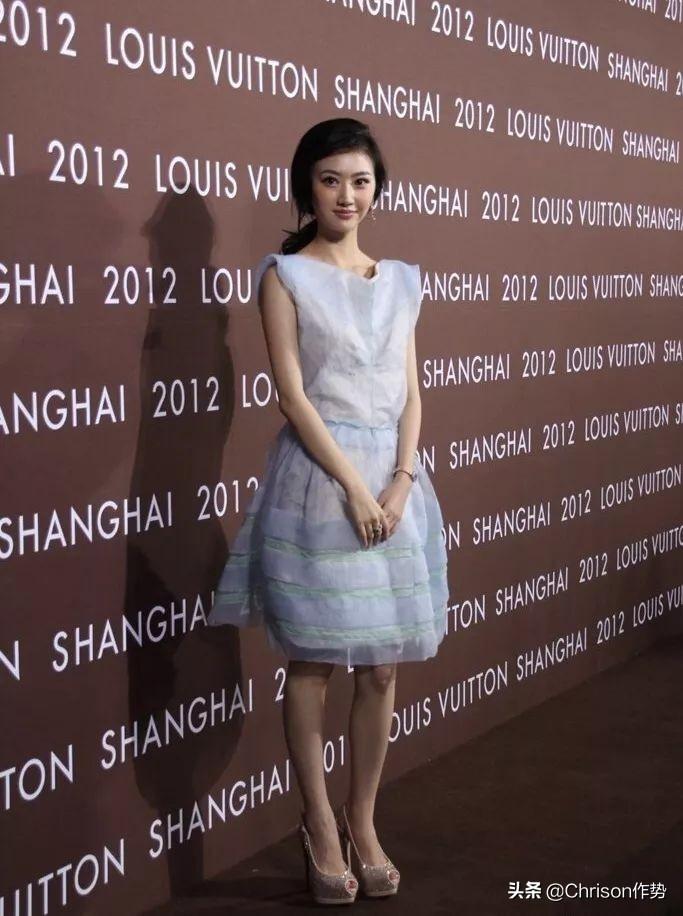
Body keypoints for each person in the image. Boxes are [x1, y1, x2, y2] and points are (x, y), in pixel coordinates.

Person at [208, 118, 449, 904]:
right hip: (320, 481)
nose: (347, 195)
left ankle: (362, 822)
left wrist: (401, 481)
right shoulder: (285, 276)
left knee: (380, 664)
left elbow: (412, 393)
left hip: (396, 483)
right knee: (313, 661)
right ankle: (317, 825)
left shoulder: (402, 279)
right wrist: (352, 485)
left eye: (360, 180)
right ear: (305, 188)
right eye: (330, 179)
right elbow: (291, 395)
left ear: (377, 189)